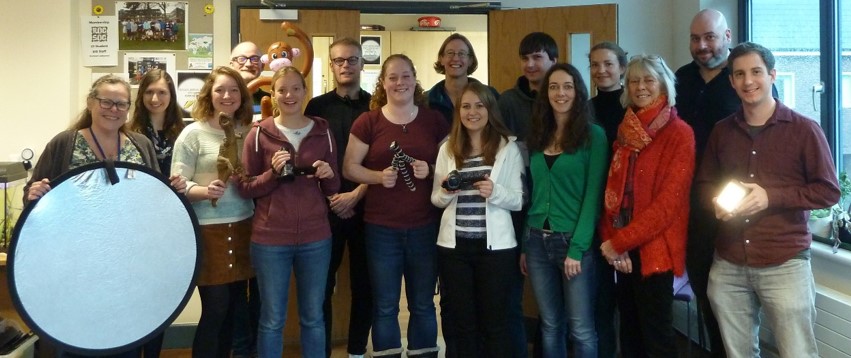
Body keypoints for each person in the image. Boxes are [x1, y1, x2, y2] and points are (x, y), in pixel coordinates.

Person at [24, 74, 187, 358]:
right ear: (90, 103)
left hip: (130, 261)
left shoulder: (140, 144)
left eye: (121, 104)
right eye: (106, 102)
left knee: (126, 334)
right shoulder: (65, 143)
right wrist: (33, 192)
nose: (114, 109)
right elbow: (36, 190)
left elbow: (154, 198)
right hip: (77, 260)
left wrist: (174, 189)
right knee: (79, 335)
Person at [697, 42, 840, 358]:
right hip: (729, 261)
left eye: (756, 72)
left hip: (784, 262)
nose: (749, 81)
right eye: (740, 74)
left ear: (772, 75)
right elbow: (705, 185)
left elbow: (828, 192)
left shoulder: (805, 130)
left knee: (797, 352)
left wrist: (770, 197)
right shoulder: (722, 132)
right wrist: (716, 202)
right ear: (732, 81)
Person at [343, 54, 449, 358]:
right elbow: (349, 167)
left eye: (405, 76)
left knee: (422, 303)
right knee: (386, 304)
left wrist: (429, 169)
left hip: (425, 227)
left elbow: (450, 167)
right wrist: (376, 176)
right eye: (392, 77)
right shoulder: (369, 121)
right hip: (381, 229)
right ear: (383, 82)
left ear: (415, 79)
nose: (399, 82)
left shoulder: (434, 120)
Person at [236, 66, 340, 358]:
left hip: (316, 237)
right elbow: (245, 187)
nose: (289, 95)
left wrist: (328, 173)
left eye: (296, 88)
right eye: (282, 89)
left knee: (313, 317)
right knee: (271, 320)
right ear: (273, 94)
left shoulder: (323, 130)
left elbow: (334, 186)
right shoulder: (258, 134)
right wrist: (272, 173)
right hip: (270, 240)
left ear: (306, 92)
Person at [598, 54, 694, 358]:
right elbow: (611, 191)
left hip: (654, 249)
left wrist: (619, 242)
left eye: (648, 79)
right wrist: (613, 242)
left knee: (658, 338)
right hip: (622, 249)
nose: (641, 87)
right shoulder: (625, 132)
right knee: (630, 333)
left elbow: (668, 205)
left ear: (663, 84)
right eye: (635, 80)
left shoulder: (680, 133)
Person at [431, 82, 524, 358]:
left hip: (495, 250)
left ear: (490, 109)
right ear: (458, 112)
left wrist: (495, 192)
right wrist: (448, 191)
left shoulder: (508, 148)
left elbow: (518, 200)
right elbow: (435, 199)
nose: (472, 112)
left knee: (495, 322)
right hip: (455, 249)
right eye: (466, 106)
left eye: (479, 105)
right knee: (463, 322)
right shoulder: (448, 149)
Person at [522, 63, 607, 358]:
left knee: (581, 328)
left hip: (572, 241)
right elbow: (532, 195)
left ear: (578, 92)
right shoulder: (538, 135)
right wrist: (524, 245)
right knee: (549, 324)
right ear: (546, 93)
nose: (560, 93)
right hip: (536, 241)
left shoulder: (593, 136)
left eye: (567, 86)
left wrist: (578, 248)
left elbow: (593, 197)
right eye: (554, 87)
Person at [171, 66, 255, 358]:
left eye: (234, 90)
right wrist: (205, 191)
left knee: (235, 309)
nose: (227, 96)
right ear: (210, 94)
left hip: (244, 226)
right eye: (220, 89)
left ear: (242, 96)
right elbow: (179, 184)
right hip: (209, 231)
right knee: (215, 309)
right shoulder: (192, 134)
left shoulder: (248, 131)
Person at [674, 11, 739, 356]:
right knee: (703, 287)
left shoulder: (742, 74)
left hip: (734, 206)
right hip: (690, 204)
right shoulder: (680, 78)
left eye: (710, 37)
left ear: (726, 35)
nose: (701, 46)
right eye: (695, 38)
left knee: (733, 296)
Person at [303, 37, 373, 358]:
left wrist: (356, 194)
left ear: (362, 63)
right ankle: (324, 352)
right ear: (331, 65)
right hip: (326, 210)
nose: (346, 65)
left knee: (365, 286)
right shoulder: (316, 108)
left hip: (367, 209)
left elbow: (380, 161)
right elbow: (307, 158)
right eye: (339, 60)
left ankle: (357, 351)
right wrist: (334, 198)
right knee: (322, 288)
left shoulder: (376, 106)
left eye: (352, 59)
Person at [498, 32, 558, 358]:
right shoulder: (507, 101)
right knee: (512, 289)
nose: (531, 64)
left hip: (557, 206)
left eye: (538, 57)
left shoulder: (563, 97)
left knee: (556, 294)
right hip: (515, 205)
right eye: (526, 58)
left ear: (553, 61)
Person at [127, 68, 186, 358]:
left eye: (162, 92)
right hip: (138, 225)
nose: (155, 98)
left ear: (171, 95)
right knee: (135, 296)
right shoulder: (129, 132)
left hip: (172, 224)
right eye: (149, 92)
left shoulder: (184, 130)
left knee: (161, 298)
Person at [587, 41, 628, 358]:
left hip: (629, 214)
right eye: (595, 65)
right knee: (599, 300)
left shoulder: (636, 109)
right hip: (594, 211)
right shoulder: (584, 109)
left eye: (608, 64)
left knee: (629, 301)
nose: (601, 70)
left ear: (622, 68)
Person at [228, 40, 265, 358]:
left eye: (255, 58)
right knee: (237, 291)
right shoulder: (224, 102)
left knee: (265, 293)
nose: (250, 63)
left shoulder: (275, 94)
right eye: (242, 58)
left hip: (267, 210)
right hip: (234, 210)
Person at [426, 33, 499, 125]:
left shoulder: (491, 95)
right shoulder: (427, 100)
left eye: (462, 54)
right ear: (441, 59)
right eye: (450, 53)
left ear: (470, 60)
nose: (456, 58)